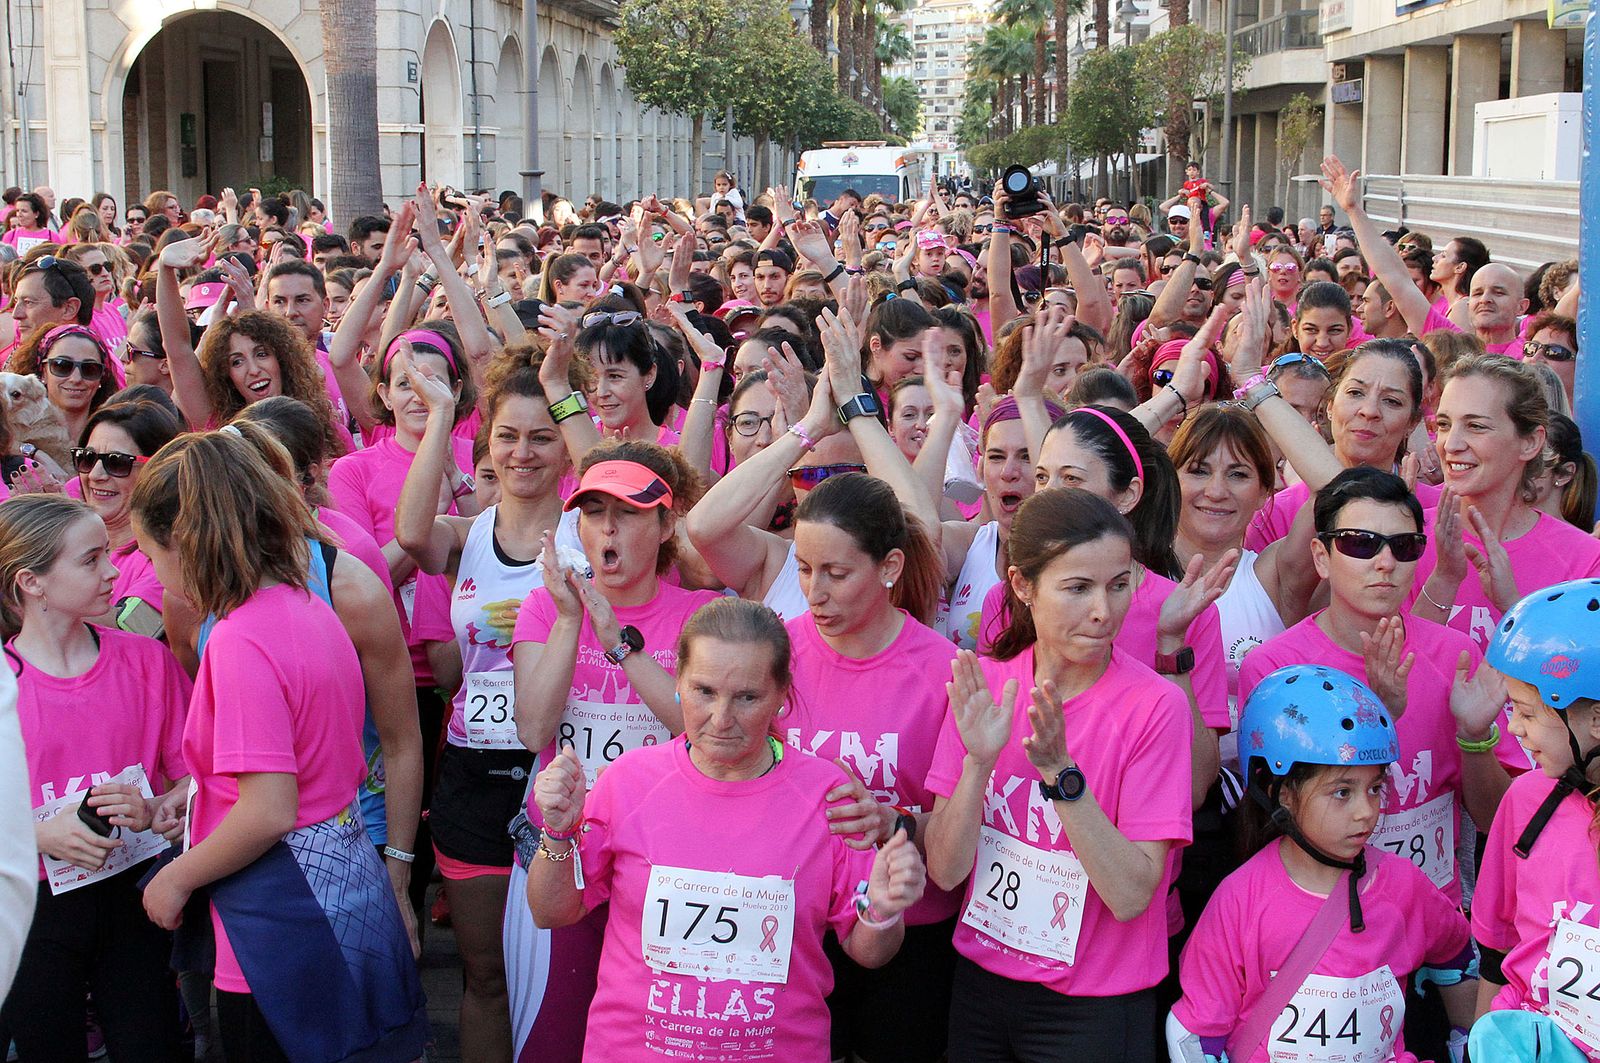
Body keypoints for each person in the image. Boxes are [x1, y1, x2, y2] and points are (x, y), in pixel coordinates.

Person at [130, 431, 427, 1061]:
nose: (155, 575)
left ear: (185, 543)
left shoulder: (239, 639)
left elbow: (268, 810)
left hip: (279, 918)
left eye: (151, 555)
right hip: (348, 887)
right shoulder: (309, 603)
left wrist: (175, 879)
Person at [525, 597, 926, 1062]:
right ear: (678, 680)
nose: (720, 719)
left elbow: (868, 949)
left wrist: (883, 909)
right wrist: (558, 832)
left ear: (782, 695)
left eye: (747, 697)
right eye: (704, 691)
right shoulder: (628, 782)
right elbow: (551, 912)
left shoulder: (827, 796)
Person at [925, 488, 1194, 1061]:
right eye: (1078, 588)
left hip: (1095, 1006)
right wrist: (977, 764)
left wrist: (1060, 773)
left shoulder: (1155, 706)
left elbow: (1131, 895)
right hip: (982, 985)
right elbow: (945, 871)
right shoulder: (986, 687)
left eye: (1118, 585)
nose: (1103, 611)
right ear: (1023, 585)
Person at [394, 327, 591, 1063]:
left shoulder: (591, 533)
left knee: (567, 975)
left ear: (565, 448)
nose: (524, 453)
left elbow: (615, 469)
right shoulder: (468, 534)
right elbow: (411, 532)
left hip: (562, 774)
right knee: (485, 977)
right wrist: (443, 414)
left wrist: (565, 391)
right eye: (508, 436)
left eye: (543, 437)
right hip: (475, 775)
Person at [1167, 664, 1472, 1063]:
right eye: (1342, 792)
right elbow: (1196, 1037)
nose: (1366, 811)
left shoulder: (1403, 885)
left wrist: (1467, 1042)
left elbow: (1457, 956)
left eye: (1375, 788)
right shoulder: (1239, 902)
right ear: (1281, 793)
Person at [0, 494, 191, 1061]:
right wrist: (38, 834)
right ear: (31, 582)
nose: (113, 572)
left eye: (108, 553)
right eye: (90, 560)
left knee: (152, 1044)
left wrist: (158, 808)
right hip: (31, 910)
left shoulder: (146, 661)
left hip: (136, 895)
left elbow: (199, 776)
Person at [781, 471, 957, 1062]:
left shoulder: (943, 671)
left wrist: (888, 821)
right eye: (804, 569)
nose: (815, 593)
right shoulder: (777, 653)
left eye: (836, 573)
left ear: (889, 567)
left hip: (911, 932)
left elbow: (960, 829)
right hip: (799, 923)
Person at [1471, 579, 1600, 1060]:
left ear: (1596, 721)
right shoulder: (1527, 799)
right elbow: (1496, 949)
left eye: (1526, 713)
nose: (1513, 728)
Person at [1414, 355, 1600, 649]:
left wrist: (1513, 606)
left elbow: (1574, 673)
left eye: (1476, 426)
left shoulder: (1585, 561)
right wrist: (1443, 581)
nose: (1451, 444)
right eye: (1445, 425)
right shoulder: (1404, 538)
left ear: (1530, 442)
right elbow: (1388, 667)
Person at [72, 399, 183, 636]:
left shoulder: (169, 551)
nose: (96, 474)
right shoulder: (69, 542)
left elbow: (135, 626)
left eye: (117, 462)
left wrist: (27, 600)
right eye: (87, 458)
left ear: (159, 470)